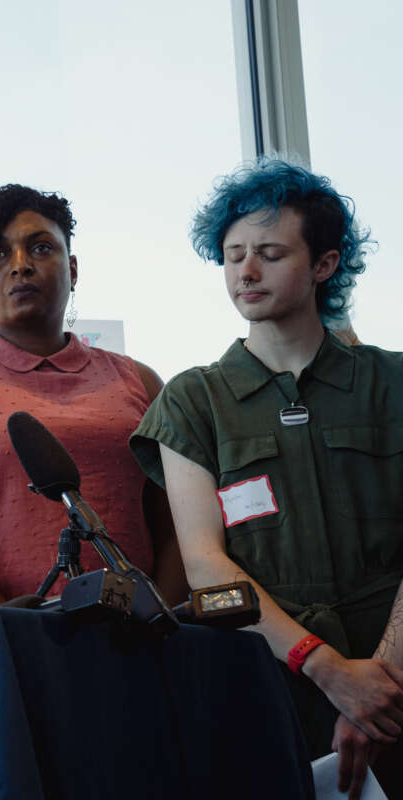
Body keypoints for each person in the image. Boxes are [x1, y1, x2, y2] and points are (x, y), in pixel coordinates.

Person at [130, 158, 403, 800]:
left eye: (271, 253)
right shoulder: (193, 402)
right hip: (265, 686)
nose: (246, 271)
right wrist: (330, 670)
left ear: (325, 265)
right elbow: (204, 565)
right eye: (233, 255)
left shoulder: (392, 384)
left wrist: (378, 685)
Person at [0, 184, 187, 629]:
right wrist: (9, 633)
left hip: (137, 650)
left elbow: (176, 532)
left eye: (41, 247)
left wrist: (160, 627)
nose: (20, 265)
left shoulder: (141, 381)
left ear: (72, 268)